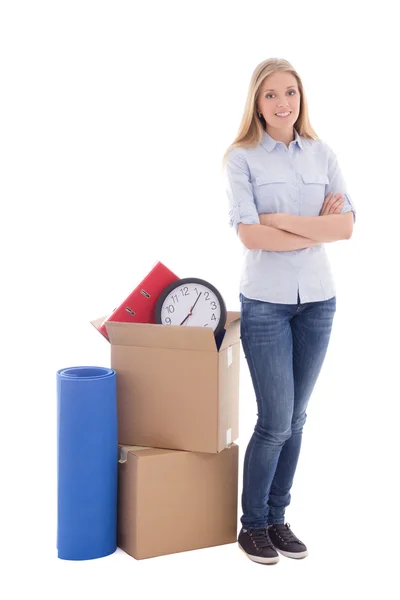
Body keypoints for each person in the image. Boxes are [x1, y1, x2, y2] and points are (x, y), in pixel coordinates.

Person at [222, 57, 356, 565]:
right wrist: (310, 225)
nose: (283, 103)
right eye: (272, 94)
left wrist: (282, 221)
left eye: (291, 92)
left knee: (297, 419)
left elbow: (345, 228)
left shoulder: (323, 153)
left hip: (318, 301)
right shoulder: (242, 158)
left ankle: (278, 518)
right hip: (266, 305)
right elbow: (250, 235)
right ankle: (252, 524)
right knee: (275, 421)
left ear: (302, 98)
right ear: (257, 103)